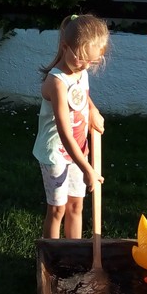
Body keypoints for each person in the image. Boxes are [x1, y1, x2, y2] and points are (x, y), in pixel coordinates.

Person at [33, 14, 109, 240]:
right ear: (65, 46)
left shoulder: (79, 70)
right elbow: (64, 133)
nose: (85, 66)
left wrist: (92, 109)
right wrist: (88, 169)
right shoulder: (57, 82)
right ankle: (51, 255)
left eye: (91, 62)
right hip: (56, 154)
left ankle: (74, 253)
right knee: (58, 209)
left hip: (78, 151)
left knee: (76, 206)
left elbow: (81, 95)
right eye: (82, 59)